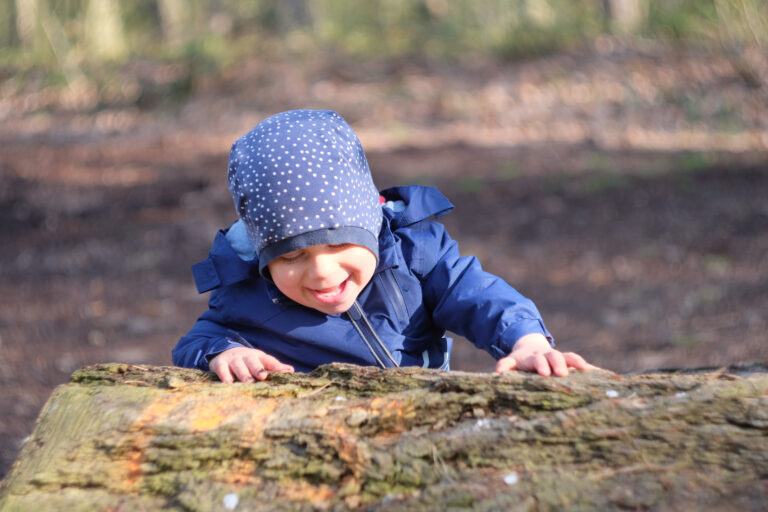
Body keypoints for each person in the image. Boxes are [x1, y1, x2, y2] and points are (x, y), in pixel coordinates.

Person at [173, 109, 595, 383]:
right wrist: (222, 352)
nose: (321, 271)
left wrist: (526, 341)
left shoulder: (414, 253)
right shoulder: (245, 291)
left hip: (422, 411)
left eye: (338, 245)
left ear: (369, 223)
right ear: (264, 255)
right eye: (291, 256)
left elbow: (477, 295)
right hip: (312, 431)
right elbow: (198, 339)